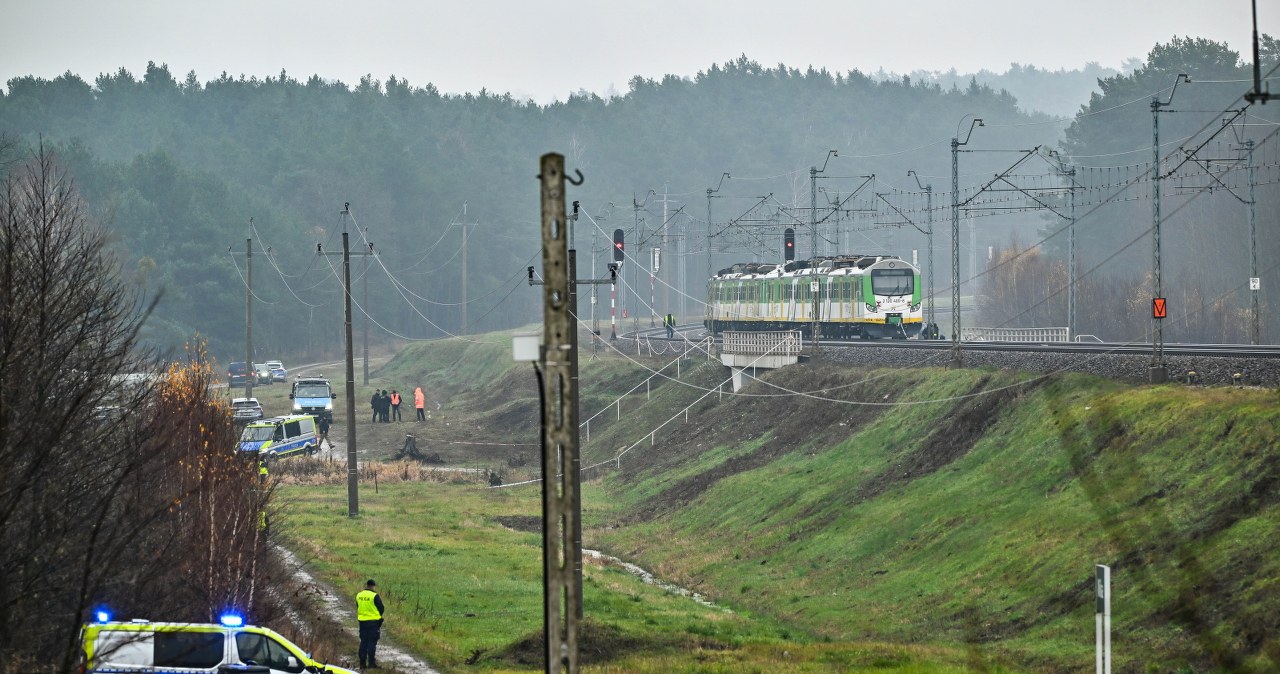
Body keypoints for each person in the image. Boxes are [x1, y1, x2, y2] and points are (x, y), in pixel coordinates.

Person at [356, 579, 385, 669]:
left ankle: (362, 663)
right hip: (373, 623)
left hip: (362, 622)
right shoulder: (374, 596)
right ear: (373, 586)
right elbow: (381, 608)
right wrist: (377, 615)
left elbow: (358, 606)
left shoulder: (359, 595)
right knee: (372, 642)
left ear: (366, 585)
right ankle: (371, 663)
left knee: (363, 641)